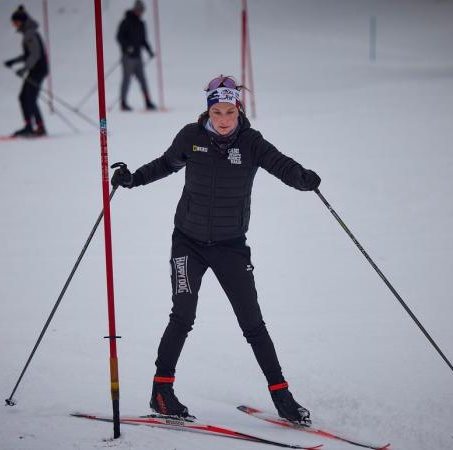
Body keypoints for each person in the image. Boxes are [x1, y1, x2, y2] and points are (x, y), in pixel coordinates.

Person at [111, 75, 321, 425]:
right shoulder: (191, 138)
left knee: (252, 323)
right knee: (183, 315)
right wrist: (134, 179)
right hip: (188, 243)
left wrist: (302, 178)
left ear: (238, 109)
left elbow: (280, 164)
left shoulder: (251, 143)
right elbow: (166, 164)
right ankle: (161, 392)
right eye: (217, 111)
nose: (223, 119)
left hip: (230, 247)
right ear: (207, 109)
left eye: (229, 111)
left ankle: (281, 395)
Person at [4, 5, 49, 137]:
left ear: (21, 21)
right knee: (24, 97)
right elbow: (28, 55)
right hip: (35, 69)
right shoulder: (28, 32)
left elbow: (35, 55)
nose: (13, 24)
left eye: (15, 21)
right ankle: (29, 125)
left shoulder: (30, 34)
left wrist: (24, 69)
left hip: (38, 69)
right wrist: (14, 61)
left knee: (29, 98)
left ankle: (39, 127)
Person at [116, 0, 156, 111]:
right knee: (126, 80)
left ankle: (148, 101)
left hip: (138, 57)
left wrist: (149, 51)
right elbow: (119, 37)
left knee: (143, 80)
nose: (140, 12)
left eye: (141, 10)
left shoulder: (141, 23)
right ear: (135, 9)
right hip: (128, 57)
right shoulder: (125, 22)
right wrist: (127, 47)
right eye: (139, 10)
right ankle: (123, 103)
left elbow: (143, 40)